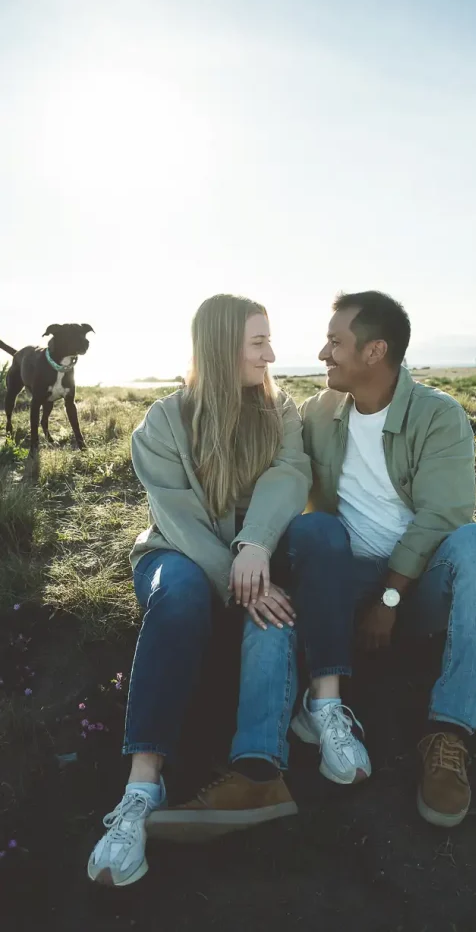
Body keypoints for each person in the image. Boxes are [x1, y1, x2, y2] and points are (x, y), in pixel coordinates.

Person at [88, 293, 323, 888]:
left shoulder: (281, 411)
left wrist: (255, 548)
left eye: (269, 340)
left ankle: (255, 773)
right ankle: (142, 787)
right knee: (182, 596)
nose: (272, 354)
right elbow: (182, 520)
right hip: (178, 553)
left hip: (257, 555)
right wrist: (238, 580)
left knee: (275, 614)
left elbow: (290, 474)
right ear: (220, 348)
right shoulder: (163, 422)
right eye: (258, 342)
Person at [293, 291, 476, 828]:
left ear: (374, 352)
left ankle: (449, 734)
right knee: (311, 535)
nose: (323, 354)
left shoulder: (439, 416)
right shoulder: (318, 413)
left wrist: (390, 599)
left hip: (416, 587)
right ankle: (302, 709)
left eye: (334, 342)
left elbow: (443, 515)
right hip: (343, 579)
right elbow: (278, 471)